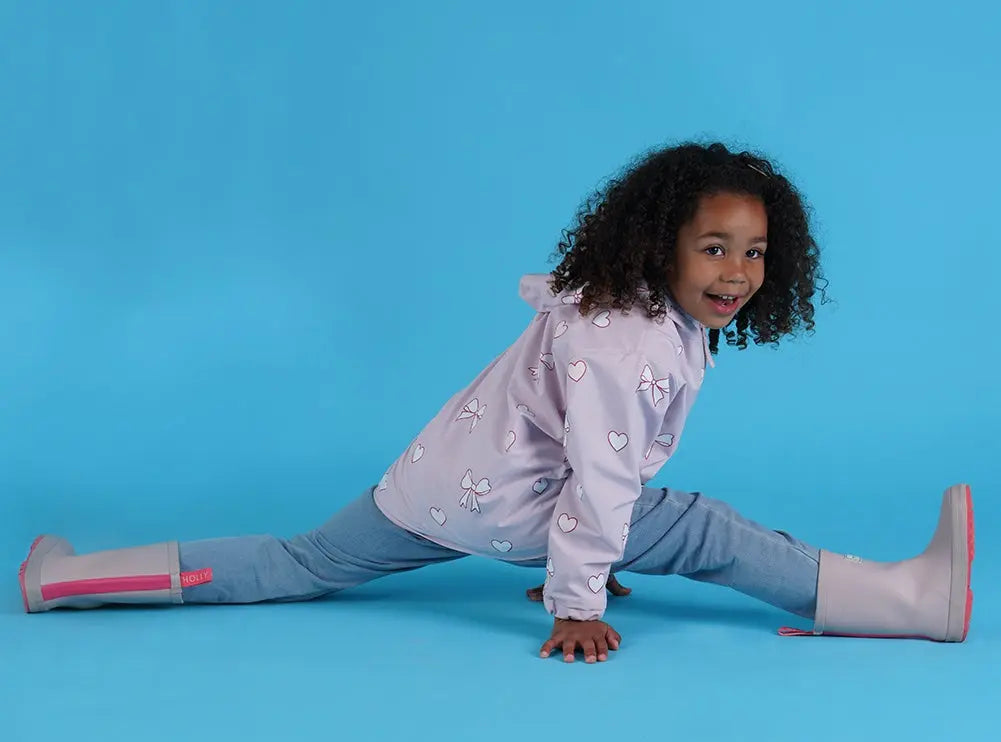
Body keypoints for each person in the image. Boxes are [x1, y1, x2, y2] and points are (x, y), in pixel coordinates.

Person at [18, 142, 974, 663]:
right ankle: (906, 601)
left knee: (301, 561)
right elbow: (602, 479)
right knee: (706, 532)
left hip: (439, 487)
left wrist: (583, 558)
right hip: (523, 504)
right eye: (713, 248)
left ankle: (60, 581)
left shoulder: (616, 300)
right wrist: (574, 600)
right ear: (663, 246)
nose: (735, 273)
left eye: (753, 252)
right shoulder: (634, 341)